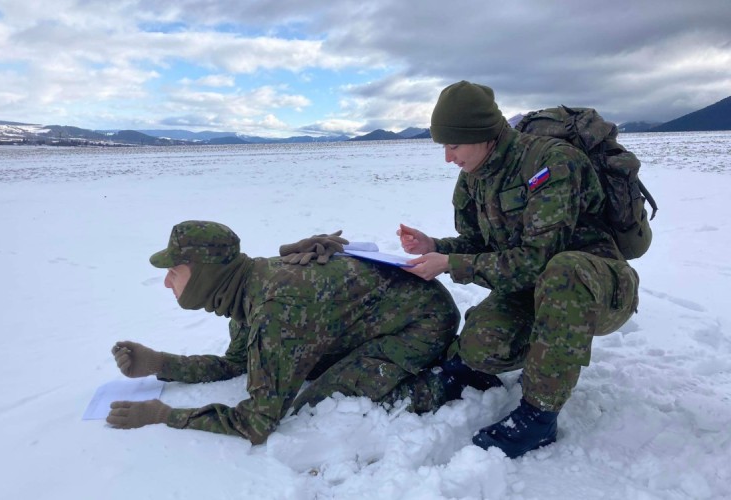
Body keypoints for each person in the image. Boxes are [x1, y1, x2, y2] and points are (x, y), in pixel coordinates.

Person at [397, 81, 640, 458]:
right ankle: (481, 373)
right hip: (534, 287)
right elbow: (479, 243)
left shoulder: (551, 163)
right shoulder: (473, 177)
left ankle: (539, 416)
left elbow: (538, 259)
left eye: (454, 145)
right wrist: (436, 247)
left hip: (596, 288)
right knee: (479, 345)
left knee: (564, 270)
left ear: (481, 135)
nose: (448, 157)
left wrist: (451, 264)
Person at [106, 221, 461, 444]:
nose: (166, 282)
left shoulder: (275, 309)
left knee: (321, 403)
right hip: (377, 318)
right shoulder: (246, 286)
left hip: (423, 322)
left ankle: (448, 381)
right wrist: (160, 363)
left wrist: (164, 416)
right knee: (306, 372)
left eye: (174, 272)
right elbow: (238, 362)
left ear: (204, 274)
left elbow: (257, 422)